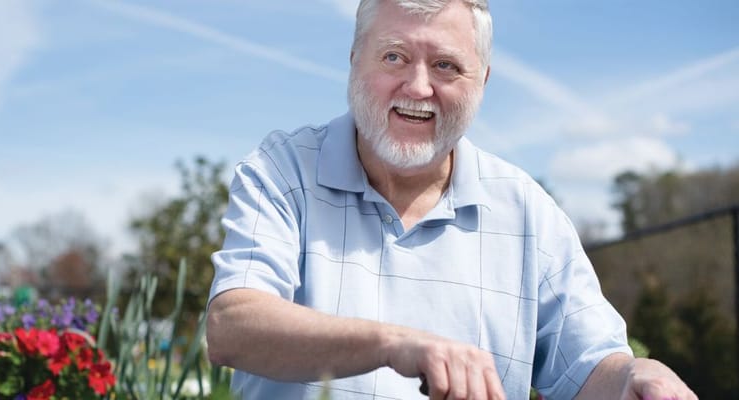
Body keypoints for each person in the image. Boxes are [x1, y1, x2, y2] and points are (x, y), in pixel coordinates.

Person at [205, 0, 697, 399]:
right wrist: (398, 343)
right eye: (394, 56)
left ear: (481, 82)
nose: (418, 86)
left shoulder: (529, 212)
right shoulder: (282, 170)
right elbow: (233, 327)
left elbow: (590, 367)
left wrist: (635, 376)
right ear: (355, 60)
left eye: (446, 65)